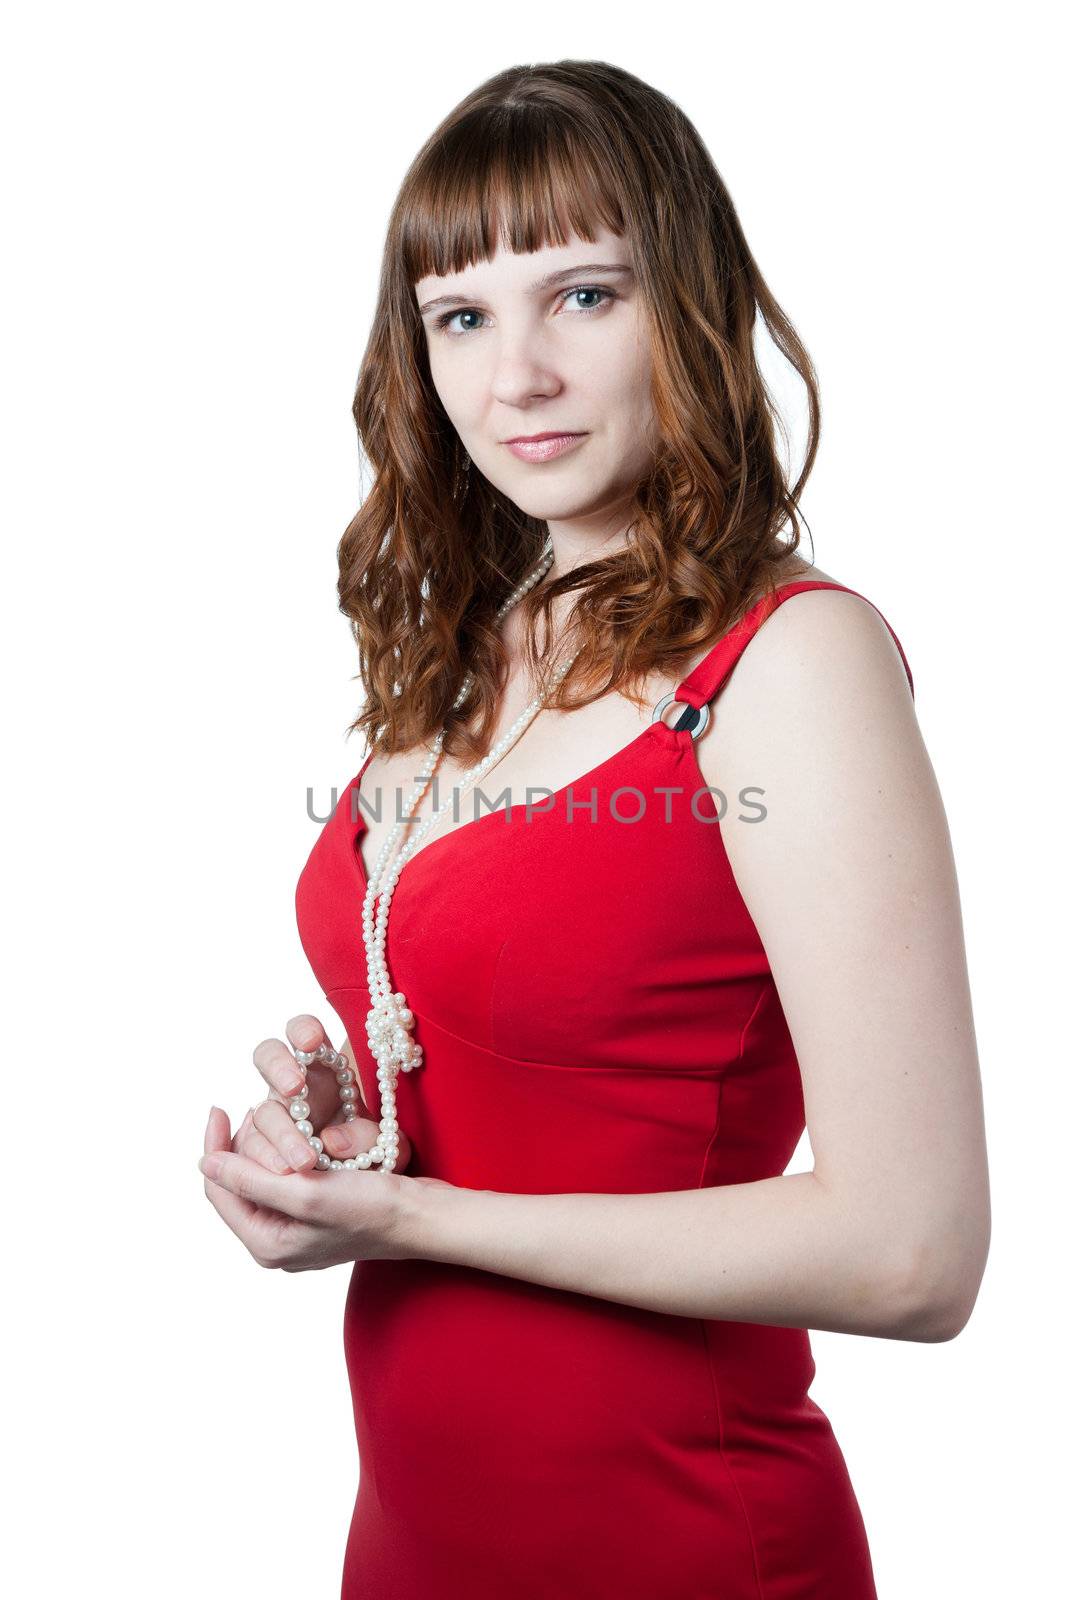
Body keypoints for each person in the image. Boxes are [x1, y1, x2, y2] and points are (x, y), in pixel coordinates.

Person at [198, 59, 991, 1599]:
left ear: (684, 305)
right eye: (462, 317)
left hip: (677, 1541)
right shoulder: (463, 648)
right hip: (416, 1539)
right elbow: (557, 1059)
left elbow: (913, 1252)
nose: (518, 381)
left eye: (581, 295)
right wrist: (352, 1133)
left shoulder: (786, 664)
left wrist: (412, 1214)